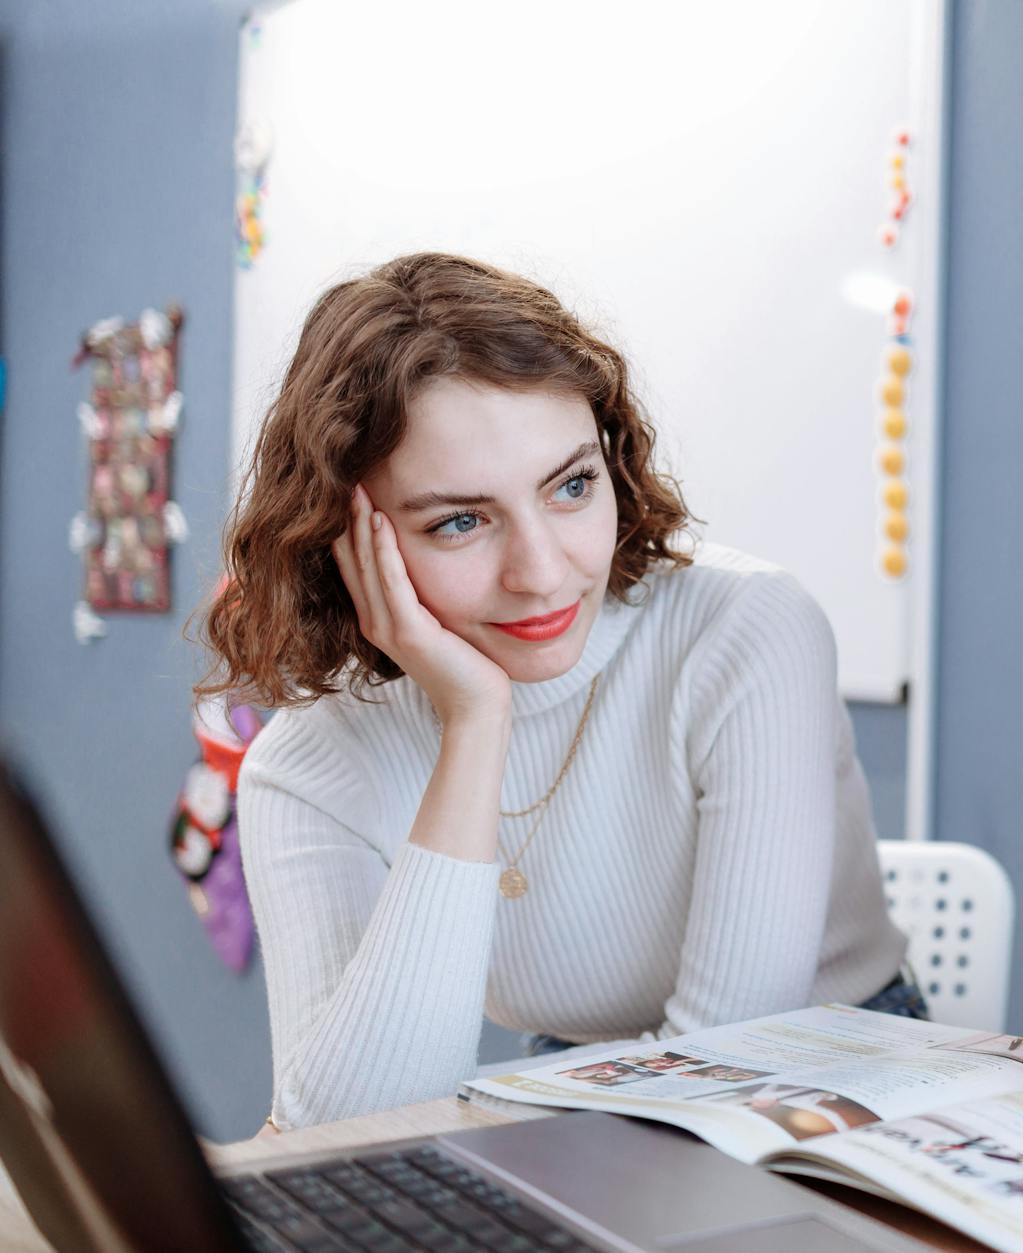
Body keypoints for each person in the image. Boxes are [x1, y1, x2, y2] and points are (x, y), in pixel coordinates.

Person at [198, 253, 915, 1130]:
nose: (541, 572)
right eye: (460, 521)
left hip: (835, 1084)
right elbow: (346, 1136)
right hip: (588, 1085)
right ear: (343, 535)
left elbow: (728, 1066)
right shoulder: (308, 766)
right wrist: (474, 722)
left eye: (572, 486)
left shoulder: (745, 631)